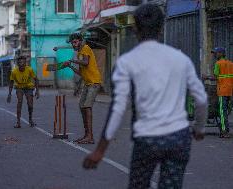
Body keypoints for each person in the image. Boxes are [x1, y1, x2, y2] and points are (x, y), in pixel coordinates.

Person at [83, 4, 208, 189]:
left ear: (135, 28)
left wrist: (100, 150)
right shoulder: (180, 59)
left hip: (147, 140)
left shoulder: (127, 62)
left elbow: (118, 108)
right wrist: (199, 128)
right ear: (162, 27)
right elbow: (201, 98)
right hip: (178, 138)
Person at [64, 33, 102, 144]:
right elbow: (81, 72)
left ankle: (90, 136)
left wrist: (72, 61)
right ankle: (86, 135)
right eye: (72, 43)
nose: (73, 44)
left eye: (75, 42)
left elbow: (86, 63)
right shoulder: (80, 53)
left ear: (80, 41)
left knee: (87, 107)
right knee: (82, 106)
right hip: (88, 83)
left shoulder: (85, 48)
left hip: (94, 82)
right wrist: (70, 66)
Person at [7, 56, 40, 128]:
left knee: (30, 105)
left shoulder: (30, 70)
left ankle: (30, 120)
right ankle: (18, 122)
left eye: (23, 63)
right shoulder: (14, 71)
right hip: (19, 88)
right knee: (19, 101)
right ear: (18, 64)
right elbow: (11, 82)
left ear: (25, 64)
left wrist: (37, 91)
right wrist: (9, 94)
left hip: (29, 87)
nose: (21, 64)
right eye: (20, 63)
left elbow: (36, 79)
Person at [211, 47, 233, 138]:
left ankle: (224, 131)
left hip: (222, 91)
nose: (215, 55)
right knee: (226, 111)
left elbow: (216, 77)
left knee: (222, 111)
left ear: (221, 53)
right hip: (230, 91)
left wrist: (207, 77)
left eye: (216, 53)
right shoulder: (231, 63)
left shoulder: (218, 63)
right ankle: (226, 129)